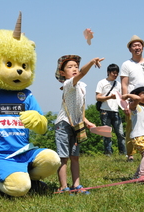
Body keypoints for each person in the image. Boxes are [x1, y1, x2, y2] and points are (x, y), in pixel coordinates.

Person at [55, 55, 104, 193]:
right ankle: (63, 187)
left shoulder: (82, 86)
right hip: (63, 124)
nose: (75, 69)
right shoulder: (68, 83)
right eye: (70, 67)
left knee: (75, 157)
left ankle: (76, 185)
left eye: (76, 66)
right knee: (63, 157)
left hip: (76, 125)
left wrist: (87, 122)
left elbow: (79, 107)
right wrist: (91, 62)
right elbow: (83, 73)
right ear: (63, 73)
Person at [95, 64, 126, 155]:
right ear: (108, 72)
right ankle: (108, 153)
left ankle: (122, 152)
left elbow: (121, 98)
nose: (115, 75)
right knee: (106, 134)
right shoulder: (102, 83)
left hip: (115, 111)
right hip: (104, 111)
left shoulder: (118, 84)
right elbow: (98, 97)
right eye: (113, 73)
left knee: (120, 133)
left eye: (117, 73)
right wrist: (109, 97)